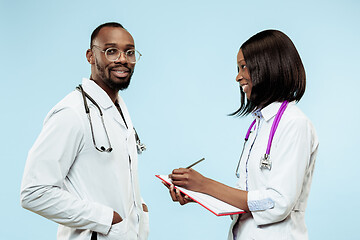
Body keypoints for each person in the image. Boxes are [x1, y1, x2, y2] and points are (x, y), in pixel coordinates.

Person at [165, 30, 318, 240]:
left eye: (243, 67)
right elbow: (244, 197)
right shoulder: (259, 125)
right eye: (238, 68)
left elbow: (277, 203)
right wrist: (197, 194)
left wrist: (205, 184)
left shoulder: (294, 124)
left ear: (268, 65)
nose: (238, 77)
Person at [21, 22, 149, 240]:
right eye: (111, 51)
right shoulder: (71, 113)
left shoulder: (118, 107)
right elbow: (34, 193)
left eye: (129, 52)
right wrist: (106, 218)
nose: (123, 59)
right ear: (91, 56)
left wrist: (140, 210)